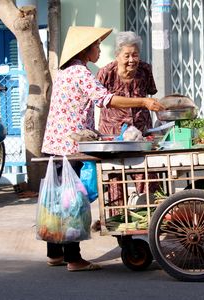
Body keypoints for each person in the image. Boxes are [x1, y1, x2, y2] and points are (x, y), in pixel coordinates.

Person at [41, 26, 164, 272]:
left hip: (57, 144)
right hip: (70, 146)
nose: (99, 50)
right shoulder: (81, 73)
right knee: (72, 201)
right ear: (86, 50)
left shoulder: (65, 71)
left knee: (58, 200)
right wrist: (143, 102)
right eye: (97, 46)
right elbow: (105, 99)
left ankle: (55, 253)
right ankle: (74, 259)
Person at [96, 31, 159, 214]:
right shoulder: (106, 73)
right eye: (127, 55)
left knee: (147, 173)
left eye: (135, 54)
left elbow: (151, 92)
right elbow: (99, 99)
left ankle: (149, 216)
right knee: (116, 177)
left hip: (141, 132)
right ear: (117, 55)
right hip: (114, 134)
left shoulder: (145, 69)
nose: (132, 60)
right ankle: (119, 223)